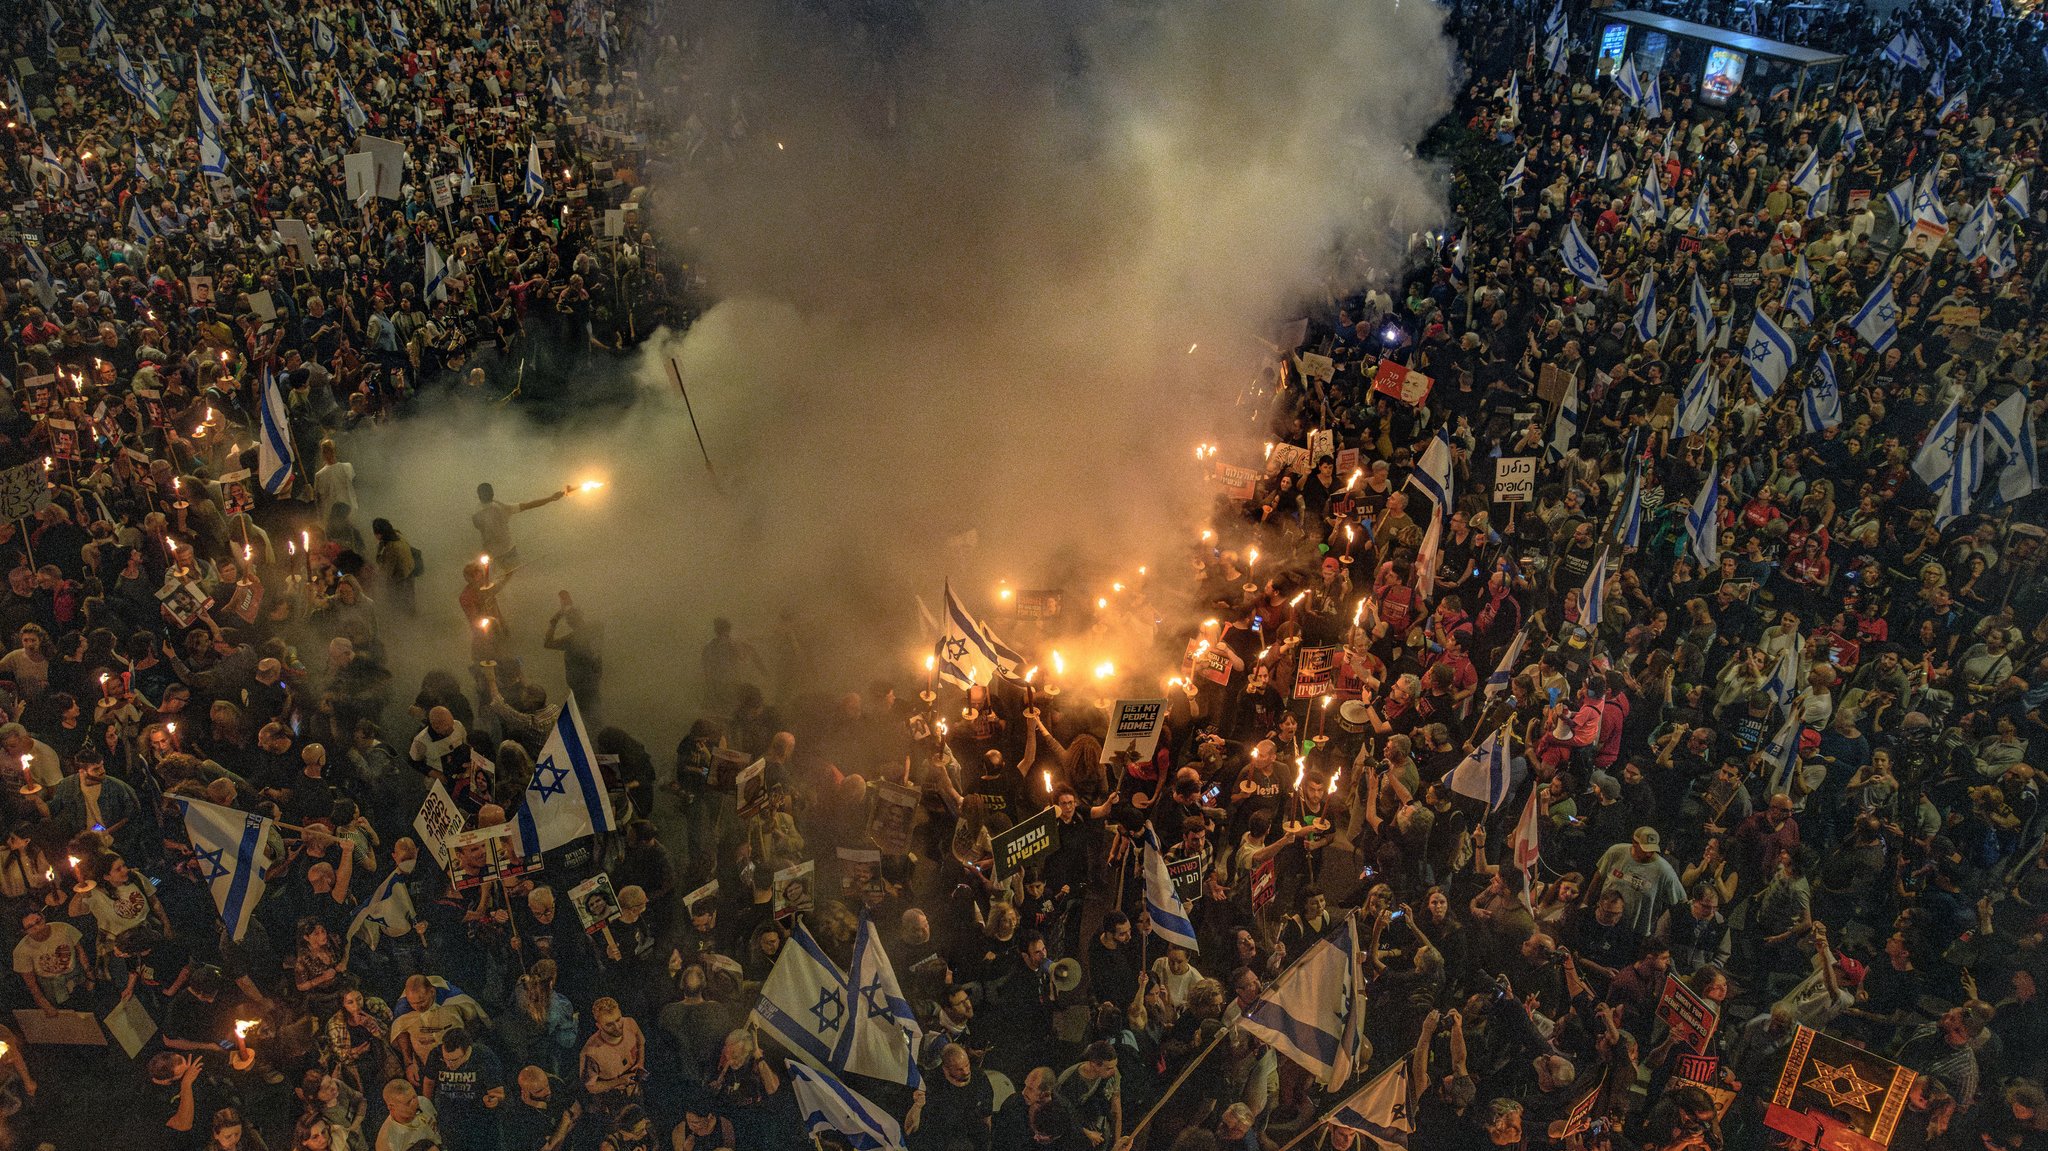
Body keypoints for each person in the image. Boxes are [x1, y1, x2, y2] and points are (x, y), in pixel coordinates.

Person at [472, 483, 570, 567]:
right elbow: (528, 505)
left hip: (506, 552)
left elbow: (528, 505)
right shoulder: (481, 511)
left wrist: (550, 498)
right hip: (496, 554)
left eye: (487, 492)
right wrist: (550, 498)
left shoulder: (498, 507)